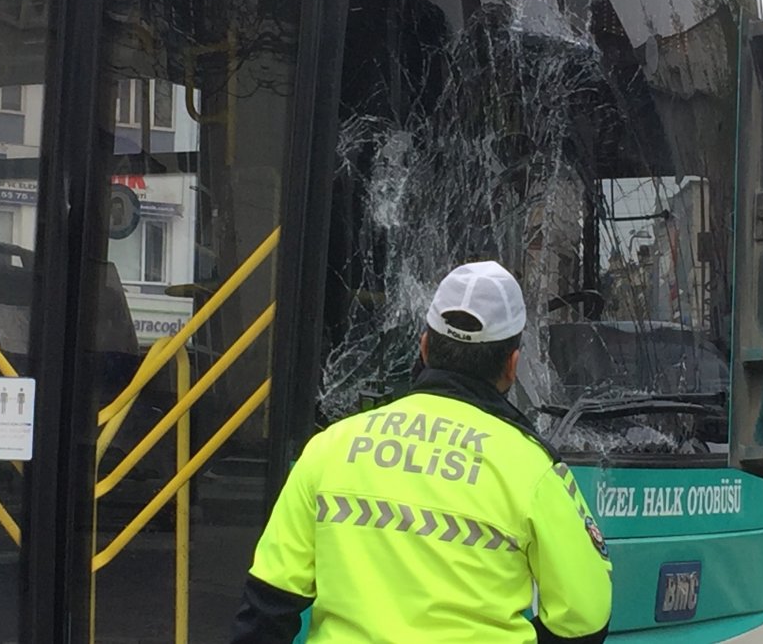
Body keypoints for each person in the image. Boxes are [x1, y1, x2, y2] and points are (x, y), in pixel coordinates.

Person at [231, 260, 612, 643]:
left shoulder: (330, 447)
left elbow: (267, 607)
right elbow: (583, 619)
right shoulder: (534, 469)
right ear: (512, 365)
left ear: (425, 347)